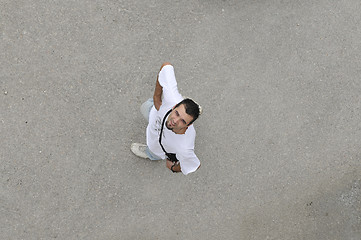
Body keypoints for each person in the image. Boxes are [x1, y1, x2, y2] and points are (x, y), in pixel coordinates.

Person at [131, 62, 202, 175]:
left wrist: (174, 168)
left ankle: (149, 154)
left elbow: (194, 165)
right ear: (174, 107)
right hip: (155, 114)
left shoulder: (184, 146)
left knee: (153, 153)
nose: (175, 121)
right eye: (177, 113)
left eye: (183, 121)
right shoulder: (172, 99)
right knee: (144, 107)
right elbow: (165, 67)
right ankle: (192, 108)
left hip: (158, 148)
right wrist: (157, 97)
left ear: (188, 126)